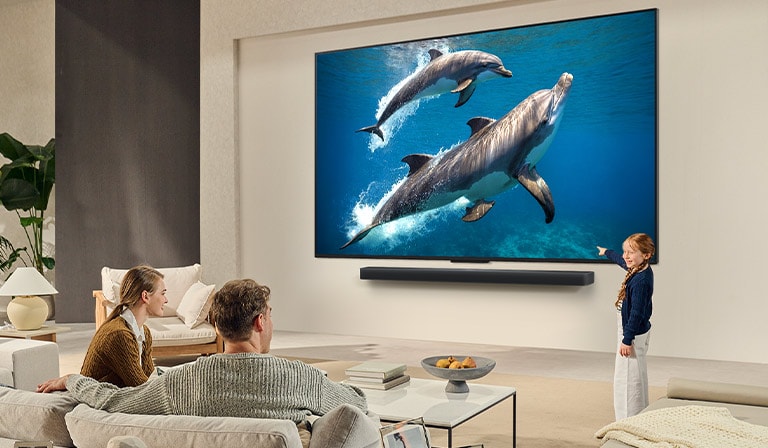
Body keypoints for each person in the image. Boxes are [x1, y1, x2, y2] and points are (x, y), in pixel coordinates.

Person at [37, 278, 367, 447]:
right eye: (269, 315)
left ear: (218, 327)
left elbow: (115, 401)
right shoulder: (299, 377)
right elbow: (357, 404)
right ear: (260, 323)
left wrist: (73, 380)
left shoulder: (180, 382)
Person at [49, 265, 166, 388]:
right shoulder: (119, 334)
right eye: (163, 293)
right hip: (98, 397)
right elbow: (143, 390)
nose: (166, 300)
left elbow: (149, 379)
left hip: (118, 394)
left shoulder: (144, 332)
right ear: (145, 296)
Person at [597, 233, 655, 420]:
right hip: (633, 332)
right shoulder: (639, 269)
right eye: (625, 251)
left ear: (646, 255)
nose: (625, 256)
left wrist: (627, 340)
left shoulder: (641, 281)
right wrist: (607, 252)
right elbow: (623, 262)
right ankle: (639, 416)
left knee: (628, 379)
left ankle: (627, 419)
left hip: (632, 334)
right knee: (635, 375)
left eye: (631, 252)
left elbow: (636, 313)